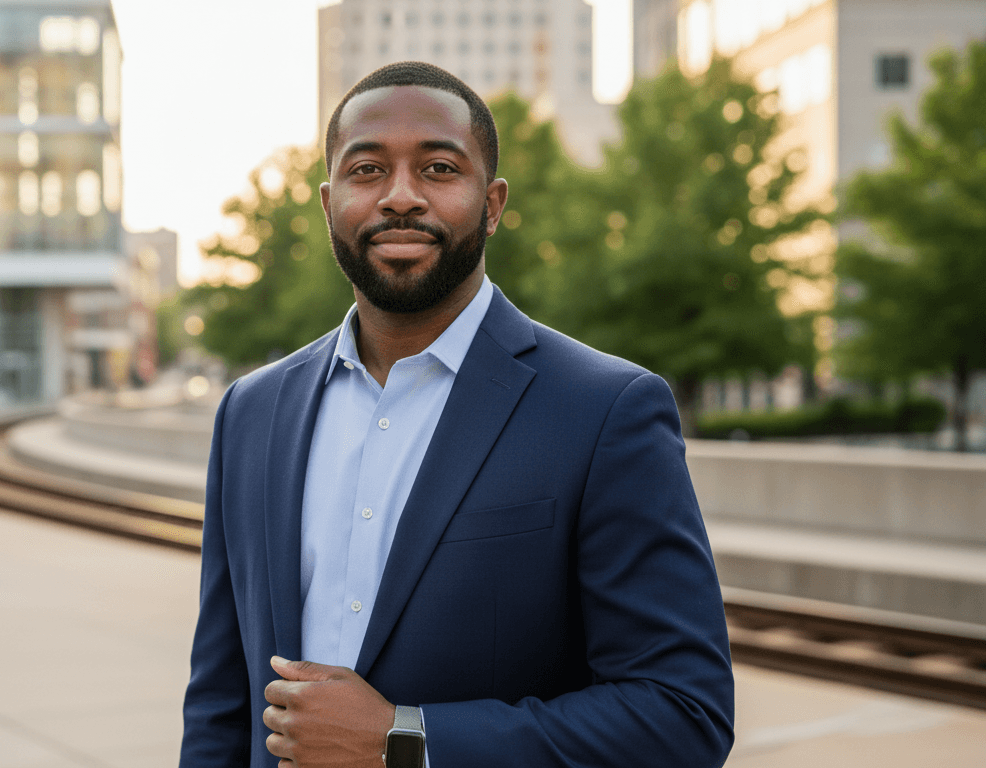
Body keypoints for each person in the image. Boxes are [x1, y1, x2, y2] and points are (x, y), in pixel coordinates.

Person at [180, 61, 734, 768]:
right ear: (328, 203)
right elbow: (221, 704)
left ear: (493, 203)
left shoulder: (605, 411)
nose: (401, 197)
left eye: (439, 169)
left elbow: (683, 715)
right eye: (367, 170)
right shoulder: (252, 414)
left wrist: (405, 741)